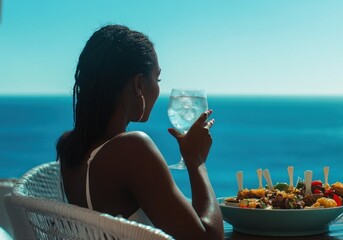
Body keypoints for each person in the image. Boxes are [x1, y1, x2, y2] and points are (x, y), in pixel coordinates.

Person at [56, 24, 224, 240]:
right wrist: (196, 162)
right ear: (139, 84)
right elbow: (209, 238)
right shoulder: (131, 149)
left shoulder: (68, 143)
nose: (158, 88)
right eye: (158, 78)